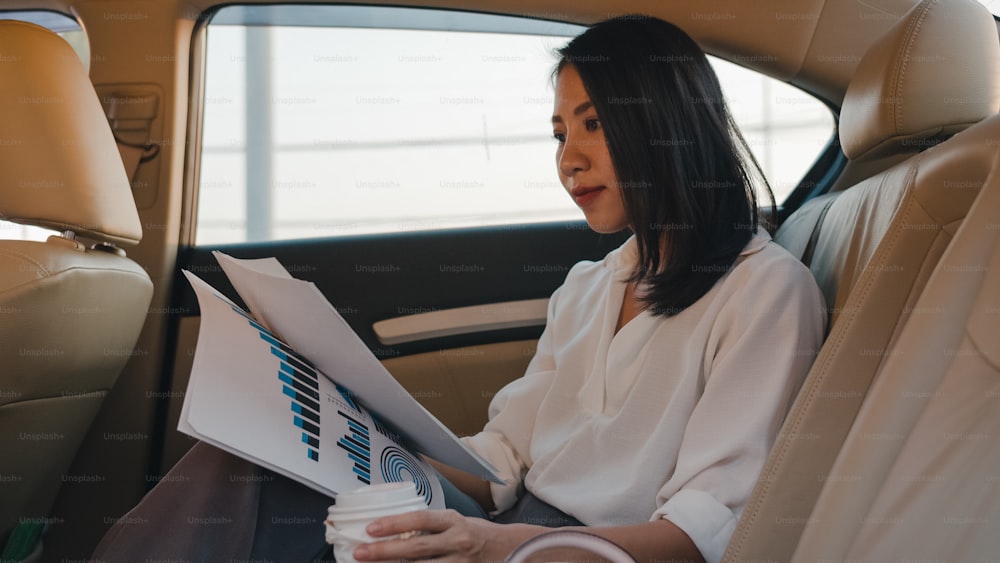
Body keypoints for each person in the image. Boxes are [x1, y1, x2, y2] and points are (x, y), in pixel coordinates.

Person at [92, 14, 825, 563]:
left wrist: (498, 545)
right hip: (515, 522)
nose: (569, 159)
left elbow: (701, 531)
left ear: (667, 125)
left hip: (579, 550)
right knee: (260, 456)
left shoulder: (764, 292)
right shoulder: (588, 287)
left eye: (594, 124)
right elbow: (501, 462)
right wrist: (337, 431)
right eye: (558, 133)